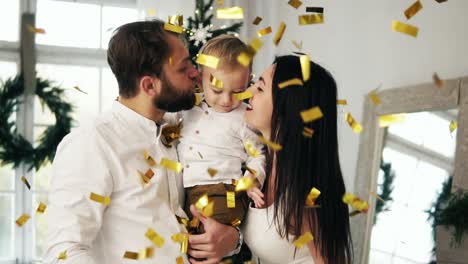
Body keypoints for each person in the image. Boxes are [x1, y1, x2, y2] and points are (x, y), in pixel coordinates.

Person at [43, 19, 241, 264]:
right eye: (183, 68)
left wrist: (233, 239)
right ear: (149, 85)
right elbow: (63, 252)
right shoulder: (91, 144)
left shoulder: (186, 125)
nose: (195, 73)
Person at [241, 55, 353, 264]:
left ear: (287, 109)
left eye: (261, 88)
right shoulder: (257, 167)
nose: (249, 92)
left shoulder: (307, 197)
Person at [179, 35, 266, 238]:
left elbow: (258, 154)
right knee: (185, 243)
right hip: (189, 192)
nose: (227, 100)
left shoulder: (245, 116)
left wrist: (253, 178)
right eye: (217, 90)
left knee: (206, 237)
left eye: (238, 91)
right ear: (200, 79)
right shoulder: (188, 107)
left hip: (225, 190)